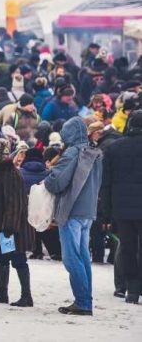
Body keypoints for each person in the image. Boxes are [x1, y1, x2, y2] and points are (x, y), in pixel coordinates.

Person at [43, 116, 103, 316]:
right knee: (83, 256)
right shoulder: (94, 152)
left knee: (71, 258)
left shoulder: (73, 152)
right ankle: (86, 299)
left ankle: (83, 302)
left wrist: (49, 174)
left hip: (71, 210)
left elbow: (57, 182)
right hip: (88, 211)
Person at [0, 135, 34, 308]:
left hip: (12, 227)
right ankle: (2, 292)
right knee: (1, 258)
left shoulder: (10, 174)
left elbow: (14, 203)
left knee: (18, 258)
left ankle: (26, 296)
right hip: (2, 225)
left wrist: (9, 226)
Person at [100, 110, 142, 304]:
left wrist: (106, 215)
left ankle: (132, 290)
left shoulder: (114, 149)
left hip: (122, 209)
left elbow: (106, 184)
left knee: (127, 248)